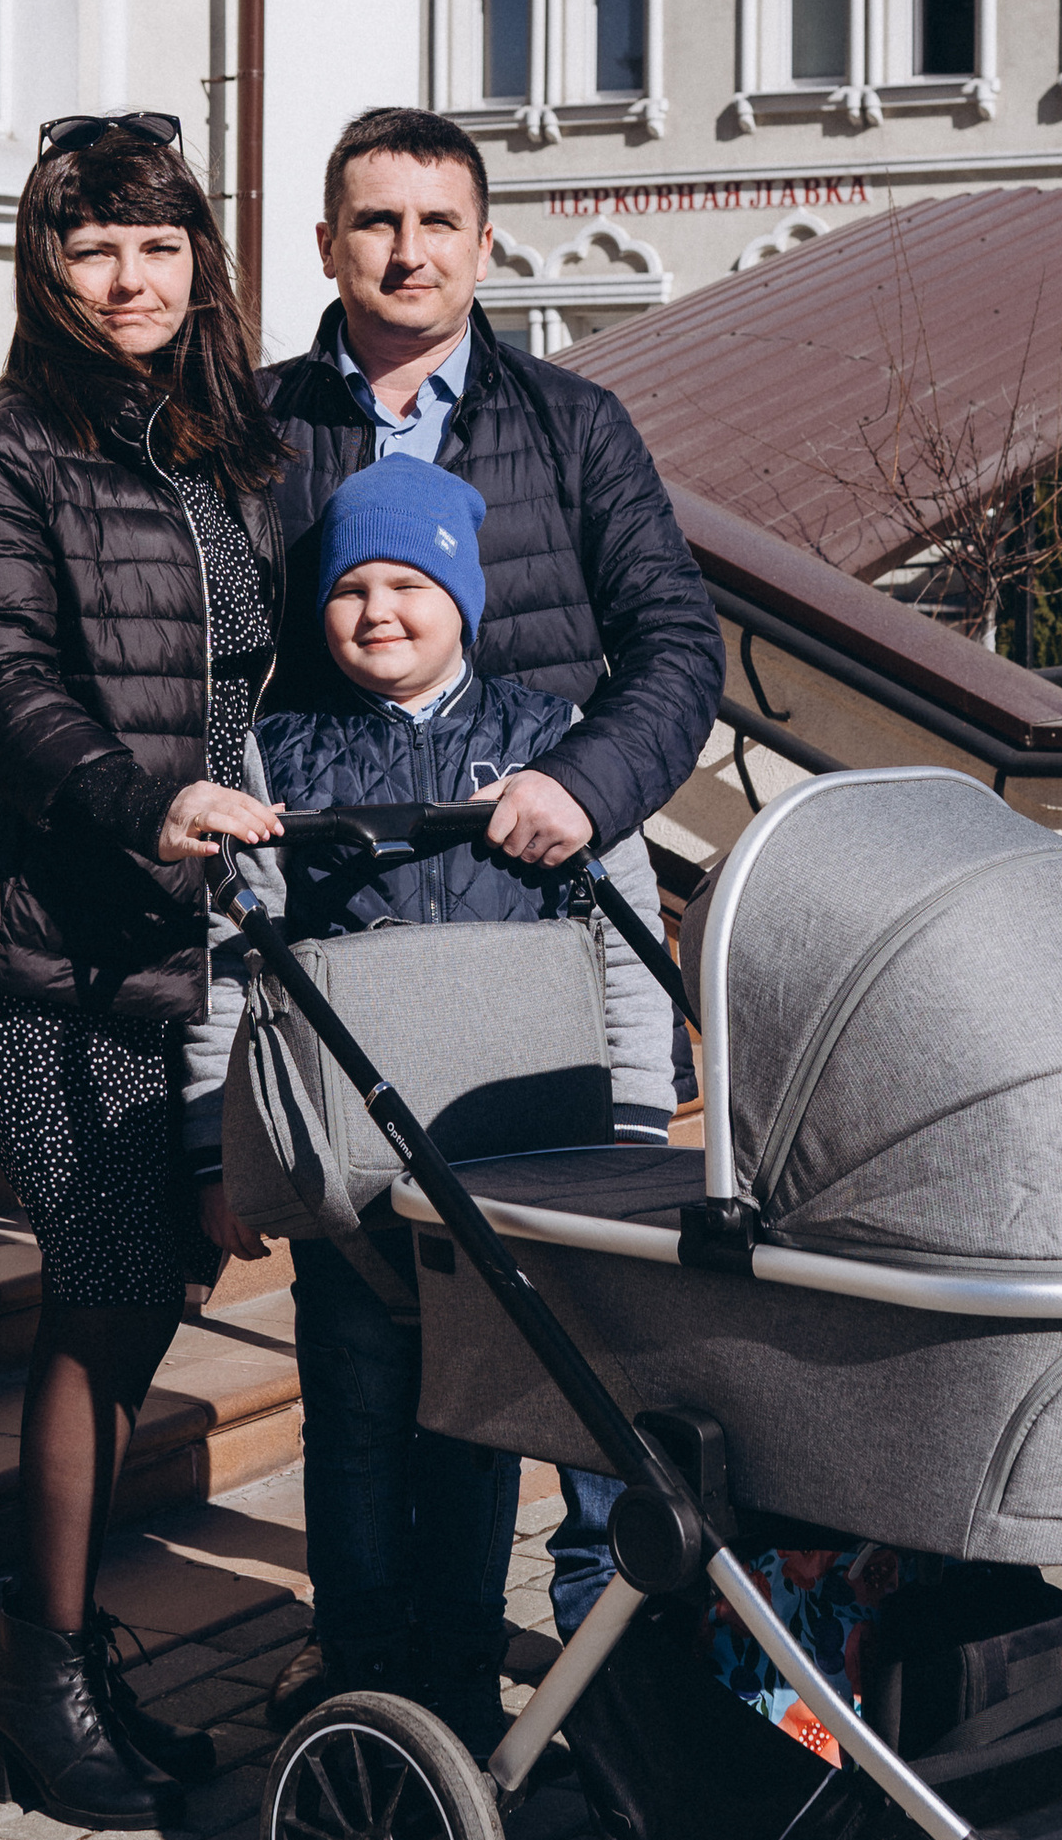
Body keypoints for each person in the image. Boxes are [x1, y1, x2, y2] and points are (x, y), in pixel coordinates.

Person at [254, 103, 724, 1658]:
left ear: (483, 242)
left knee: (567, 1334)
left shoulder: (572, 423)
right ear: (328, 245)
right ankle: (382, 1673)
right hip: (357, 966)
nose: (406, 249)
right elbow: (222, 678)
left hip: (537, 945)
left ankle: (594, 1663)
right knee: (374, 1366)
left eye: (436, 222)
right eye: (375, 223)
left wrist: (583, 791)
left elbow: (674, 648)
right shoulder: (255, 430)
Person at [0, 112, 287, 1829]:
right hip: (51, 935)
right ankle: (39, 1676)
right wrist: (151, 798)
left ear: (196, 256)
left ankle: (62, 1644)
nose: (129, 277)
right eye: (92, 246)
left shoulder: (226, 445)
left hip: (198, 923)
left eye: (155, 242)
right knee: (109, 1270)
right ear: (46, 266)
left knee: (156, 1277)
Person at [184, 455, 675, 1752]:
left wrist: (633, 1120)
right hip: (346, 1176)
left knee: (476, 1427)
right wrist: (217, 1148)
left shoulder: (550, 749)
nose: (380, 610)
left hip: (512, 1174)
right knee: (351, 1414)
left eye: (411, 582)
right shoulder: (276, 753)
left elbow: (620, 945)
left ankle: (455, 1676)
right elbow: (231, 963)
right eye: (353, 586)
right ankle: (357, 1670)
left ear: (464, 593)